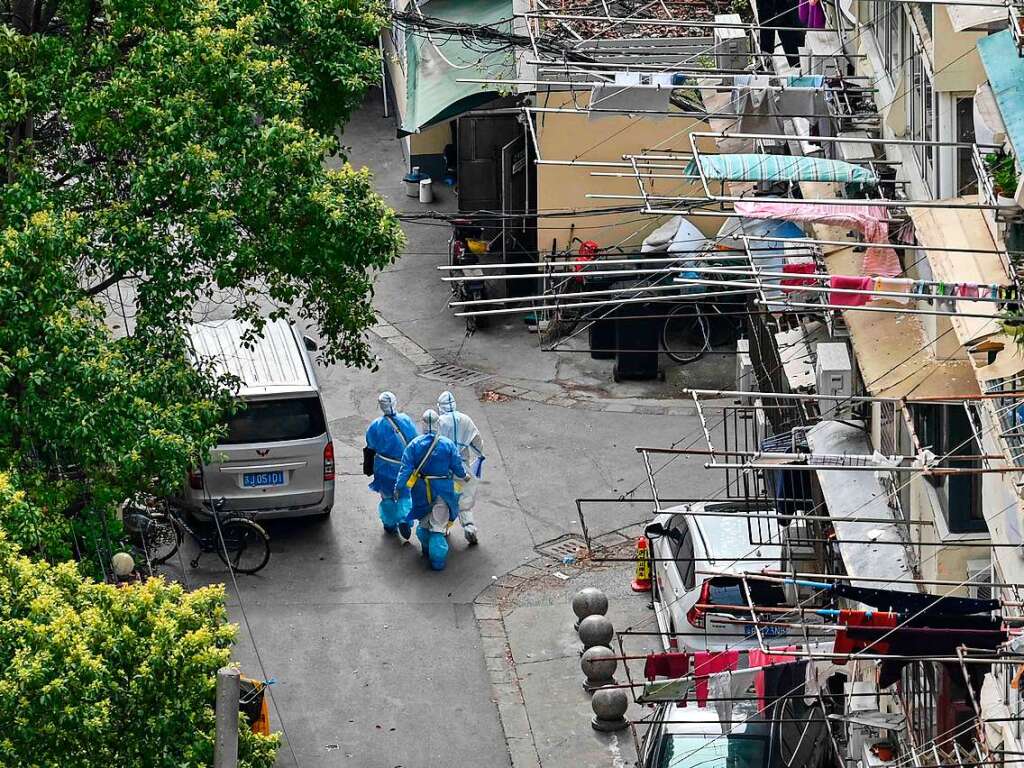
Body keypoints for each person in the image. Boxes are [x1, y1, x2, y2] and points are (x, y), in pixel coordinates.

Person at [395, 410, 469, 571]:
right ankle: (437, 561)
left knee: (423, 522)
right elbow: (457, 466)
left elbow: (405, 469)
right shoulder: (447, 444)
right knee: (438, 526)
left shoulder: (414, 445)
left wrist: (398, 488)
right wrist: (465, 476)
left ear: (422, 424)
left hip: (421, 490)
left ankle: (426, 548)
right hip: (443, 490)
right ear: (437, 425)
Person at [365, 392, 418, 538]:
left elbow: (370, 445)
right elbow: (415, 442)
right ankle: (404, 519)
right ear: (394, 403)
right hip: (403, 467)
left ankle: (389, 524)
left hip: (382, 466)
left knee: (386, 496)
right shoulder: (406, 420)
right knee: (405, 494)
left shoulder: (375, 425)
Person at [436, 391, 485, 545]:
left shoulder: (439, 422)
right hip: (463, 466)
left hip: (443, 469)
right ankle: (469, 526)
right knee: (464, 499)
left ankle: (441, 530)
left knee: (442, 499)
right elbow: (476, 439)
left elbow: (433, 444)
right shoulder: (465, 419)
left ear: (440, 407)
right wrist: (479, 455)